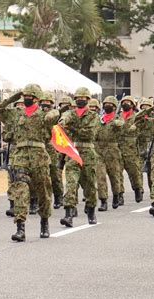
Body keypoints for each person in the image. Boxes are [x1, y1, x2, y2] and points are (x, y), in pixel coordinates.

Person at [0, 84, 58, 241]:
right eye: (25, 96)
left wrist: (52, 111)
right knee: (20, 190)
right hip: (20, 156)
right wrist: (14, 97)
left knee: (43, 191)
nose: (27, 98)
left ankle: (44, 222)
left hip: (39, 157)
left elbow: (55, 116)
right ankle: (20, 228)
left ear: (37, 99)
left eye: (30, 96)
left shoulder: (44, 115)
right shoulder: (17, 113)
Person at [59, 87, 99, 228]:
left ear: (88, 100)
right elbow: (64, 119)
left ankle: (91, 210)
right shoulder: (71, 114)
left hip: (88, 153)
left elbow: (89, 134)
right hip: (73, 153)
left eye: (83, 98)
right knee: (71, 184)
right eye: (78, 98)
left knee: (89, 185)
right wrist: (63, 122)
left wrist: (72, 128)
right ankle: (68, 214)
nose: (80, 100)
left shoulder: (93, 116)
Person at [96, 96, 124, 211]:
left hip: (112, 151)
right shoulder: (100, 119)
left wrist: (112, 121)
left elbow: (120, 124)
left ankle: (116, 195)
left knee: (114, 176)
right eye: (105, 104)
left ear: (114, 107)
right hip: (99, 150)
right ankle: (103, 200)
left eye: (110, 104)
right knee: (100, 176)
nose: (107, 106)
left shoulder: (118, 118)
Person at [39, 91, 64, 209]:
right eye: (43, 102)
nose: (45, 104)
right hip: (39, 146)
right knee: (39, 174)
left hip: (51, 145)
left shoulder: (54, 113)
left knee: (54, 173)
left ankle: (58, 196)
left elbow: (53, 117)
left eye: (47, 102)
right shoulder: (37, 113)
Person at [118, 96, 144, 204]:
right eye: (124, 102)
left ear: (132, 105)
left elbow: (142, 129)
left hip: (131, 148)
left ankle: (138, 189)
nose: (126, 104)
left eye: (128, 102)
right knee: (117, 173)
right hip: (118, 147)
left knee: (134, 172)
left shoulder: (137, 117)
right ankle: (119, 194)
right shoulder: (117, 116)